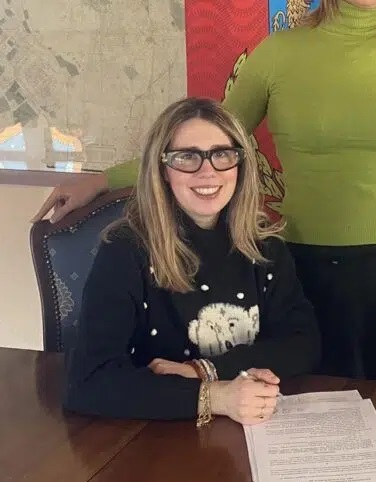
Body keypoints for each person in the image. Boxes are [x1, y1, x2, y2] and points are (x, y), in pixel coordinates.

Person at [37, 0, 376, 385]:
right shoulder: (277, 53)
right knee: (306, 404)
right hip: (304, 263)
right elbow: (203, 148)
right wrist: (101, 180)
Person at [64, 97, 320, 424]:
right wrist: (215, 397)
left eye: (222, 154)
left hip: (252, 426)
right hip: (150, 433)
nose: (207, 171)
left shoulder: (266, 246)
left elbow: (304, 344)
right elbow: (88, 382)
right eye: (187, 157)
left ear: (240, 165)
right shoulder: (125, 250)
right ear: (163, 170)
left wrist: (204, 370)